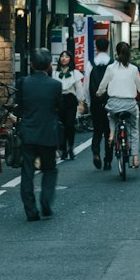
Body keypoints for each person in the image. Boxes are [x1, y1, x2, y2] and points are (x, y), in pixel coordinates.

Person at [15, 49, 64, 221]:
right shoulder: (56, 85)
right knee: (49, 170)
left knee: (27, 172)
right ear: (50, 65)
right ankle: (45, 201)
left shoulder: (23, 82)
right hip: (48, 133)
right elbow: (59, 108)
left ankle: (31, 210)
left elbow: (19, 107)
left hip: (28, 132)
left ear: (31, 65)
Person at [98, 41, 140, 169]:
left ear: (116, 53)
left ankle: (112, 134)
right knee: (134, 128)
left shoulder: (110, 68)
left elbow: (103, 85)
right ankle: (135, 157)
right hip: (129, 104)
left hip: (114, 103)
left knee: (111, 115)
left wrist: (98, 92)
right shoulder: (134, 69)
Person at [55, 49, 84, 160]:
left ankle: (71, 147)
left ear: (70, 59)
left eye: (66, 56)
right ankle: (63, 149)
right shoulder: (55, 73)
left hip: (71, 100)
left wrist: (81, 102)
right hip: (60, 100)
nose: (64, 58)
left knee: (70, 125)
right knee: (61, 126)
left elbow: (79, 89)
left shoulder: (75, 73)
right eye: (62, 56)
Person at [88, 37, 112, 170]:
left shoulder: (91, 63)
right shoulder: (112, 63)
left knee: (97, 130)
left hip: (95, 101)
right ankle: (108, 160)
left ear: (96, 47)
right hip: (110, 101)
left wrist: (87, 100)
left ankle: (96, 152)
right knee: (109, 131)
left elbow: (86, 84)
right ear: (108, 48)